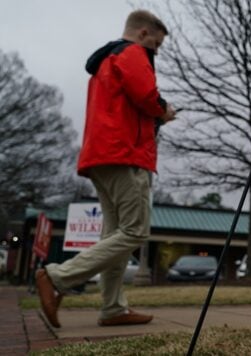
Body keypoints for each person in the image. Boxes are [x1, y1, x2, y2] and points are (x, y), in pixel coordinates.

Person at [35, 9, 176, 328]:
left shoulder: (106, 61)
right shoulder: (132, 53)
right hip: (125, 155)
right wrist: (163, 112)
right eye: (157, 44)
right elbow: (146, 95)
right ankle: (56, 276)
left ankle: (113, 307)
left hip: (101, 155)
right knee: (135, 231)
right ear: (143, 34)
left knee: (115, 234)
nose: (156, 51)